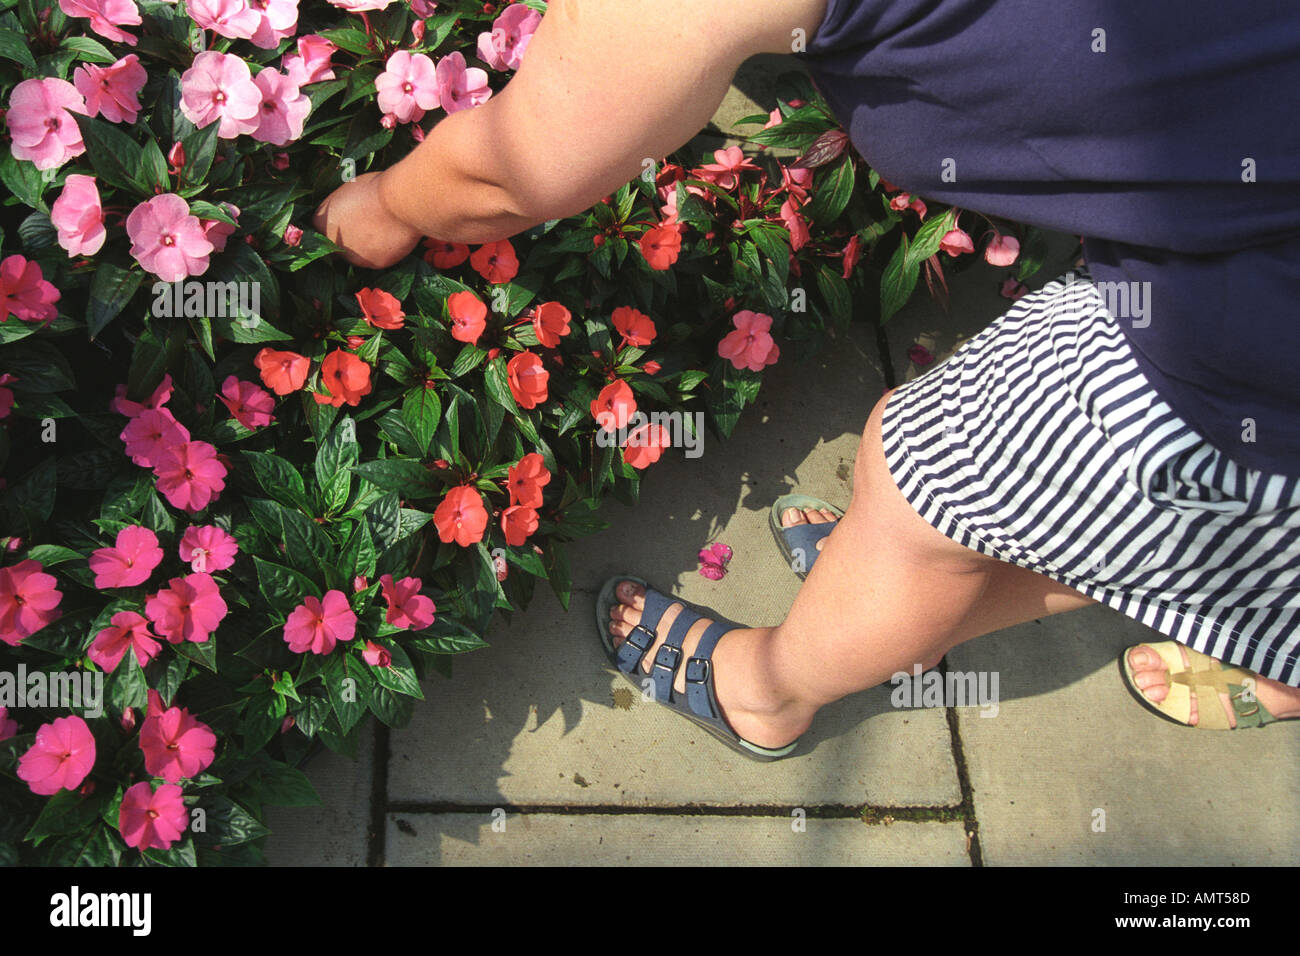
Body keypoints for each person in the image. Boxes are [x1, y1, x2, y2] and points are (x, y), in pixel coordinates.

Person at [315, 0, 1300, 757]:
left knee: (919, 480)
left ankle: (771, 688)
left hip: (1259, 333)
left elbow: (513, 170)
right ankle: (1219, 596)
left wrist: (389, 202)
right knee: (1076, 508)